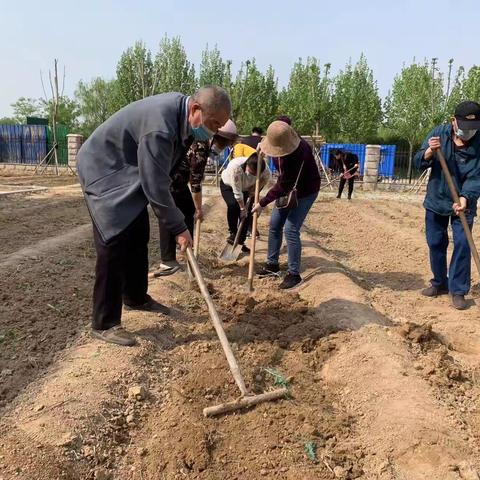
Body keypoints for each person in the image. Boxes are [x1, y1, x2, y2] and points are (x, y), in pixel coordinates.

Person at [77, 86, 231, 346]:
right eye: (214, 123)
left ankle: (136, 297)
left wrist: (175, 220)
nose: (214, 131)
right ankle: (104, 323)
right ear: (195, 110)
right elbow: (155, 185)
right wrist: (180, 228)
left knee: (138, 233)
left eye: (219, 126)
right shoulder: (160, 126)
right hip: (103, 169)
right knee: (113, 239)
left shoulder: (181, 118)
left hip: (127, 168)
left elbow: (163, 175)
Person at [414, 100, 480, 310]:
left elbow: (477, 176)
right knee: (435, 242)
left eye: (473, 128)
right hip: (437, 197)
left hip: (464, 201)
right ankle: (439, 282)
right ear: (454, 121)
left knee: (462, 243)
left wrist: (465, 198)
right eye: (464, 127)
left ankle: (458, 290)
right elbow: (418, 162)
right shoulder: (439, 134)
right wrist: (429, 153)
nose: (468, 132)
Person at [154, 120, 238, 276]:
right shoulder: (201, 146)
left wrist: (195, 209)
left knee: (188, 209)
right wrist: (200, 209)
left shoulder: (202, 141)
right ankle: (167, 261)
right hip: (167, 182)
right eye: (225, 144)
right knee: (169, 216)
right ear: (218, 137)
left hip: (178, 181)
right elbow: (196, 184)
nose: (224, 148)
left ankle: (187, 251)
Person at [253, 121, 321, 289]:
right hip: (289, 189)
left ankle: (294, 274)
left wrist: (262, 203)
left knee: (290, 229)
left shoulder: (298, 155)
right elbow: (281, 123)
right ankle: (272, 265)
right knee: (275, 224)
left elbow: (283, 185)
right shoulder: (286, 138)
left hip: (305, 191)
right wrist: (262, 153)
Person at [220, 152, 270, 253]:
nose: (252, 175)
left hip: (247, 188)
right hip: (229, 186)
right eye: (251, 172)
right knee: (233, 205)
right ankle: (233, 233)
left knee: (248, 214)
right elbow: (237, 192)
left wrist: (255, 190)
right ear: (247, 165)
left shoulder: (265, 170)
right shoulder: (236, 167)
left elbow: (264, 180)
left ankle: (240, 242)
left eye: (255, 174)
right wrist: (242, 208)